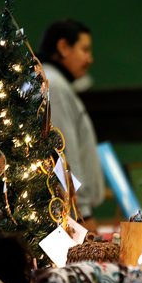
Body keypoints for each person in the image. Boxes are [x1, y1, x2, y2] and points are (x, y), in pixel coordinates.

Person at [37, 19, 105, 231]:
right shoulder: (55, 86)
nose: (90, 59)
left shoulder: (52, 82)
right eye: (84, 50)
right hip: (72, 212)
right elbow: (64, 153)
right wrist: (83, 211)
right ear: (63, 47)